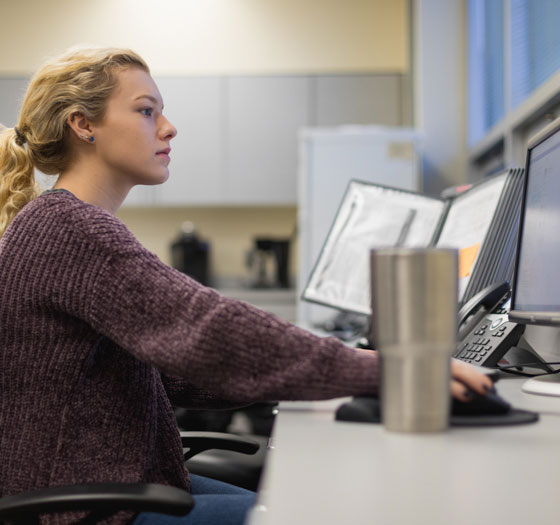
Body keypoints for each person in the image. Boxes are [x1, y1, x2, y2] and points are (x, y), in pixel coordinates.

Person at [0, 47, 493, 525]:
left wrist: (327, 371)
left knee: (314, 495)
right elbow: (207, 333)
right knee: (338, 511)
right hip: (80, 509)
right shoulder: (70, 229)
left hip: (111, 487)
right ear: (83, 125)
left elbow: (174, 368)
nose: (169, 128)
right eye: (147, 111)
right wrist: (385, 371)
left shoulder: (63, 223)